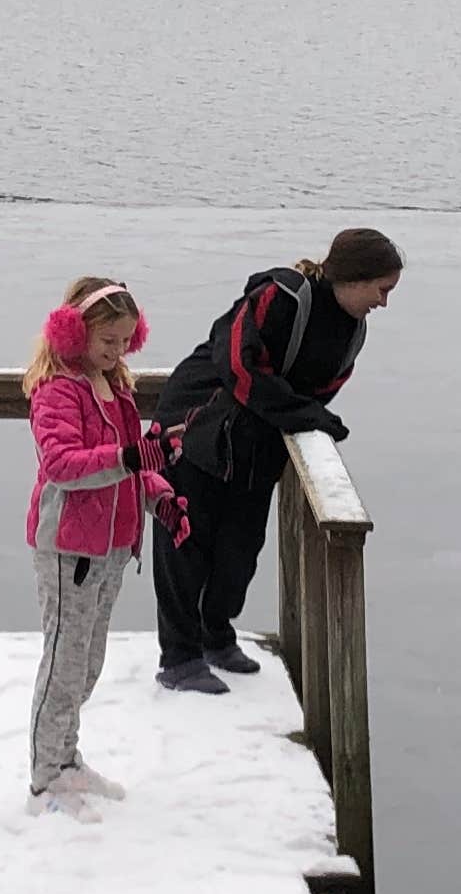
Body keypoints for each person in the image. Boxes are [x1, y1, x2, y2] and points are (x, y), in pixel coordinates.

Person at [148, 229, 403, 694]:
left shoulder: (353, 331)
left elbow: (319, 392)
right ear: (353, 277)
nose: (384, 303)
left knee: (240, 549)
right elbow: (237, 366)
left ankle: (215, 636)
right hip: (195, 426)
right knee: (184, 545)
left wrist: (303, 413)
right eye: (381, 289)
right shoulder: (281, 296)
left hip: (254, 446)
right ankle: (179, 658)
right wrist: (303, 412)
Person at [20, 276, 173, 818]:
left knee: (87, 665)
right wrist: (131, 459)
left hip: (112, 549)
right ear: (72, 332)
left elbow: (132, 465)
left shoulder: (116, 386)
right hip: (70, 549)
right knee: (64, 665)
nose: (118, 351)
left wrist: (161, 497)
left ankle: (67, 758)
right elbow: (62, 465)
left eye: (126, 341)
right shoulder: (58, 390)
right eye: (108, 340)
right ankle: (45, 778)